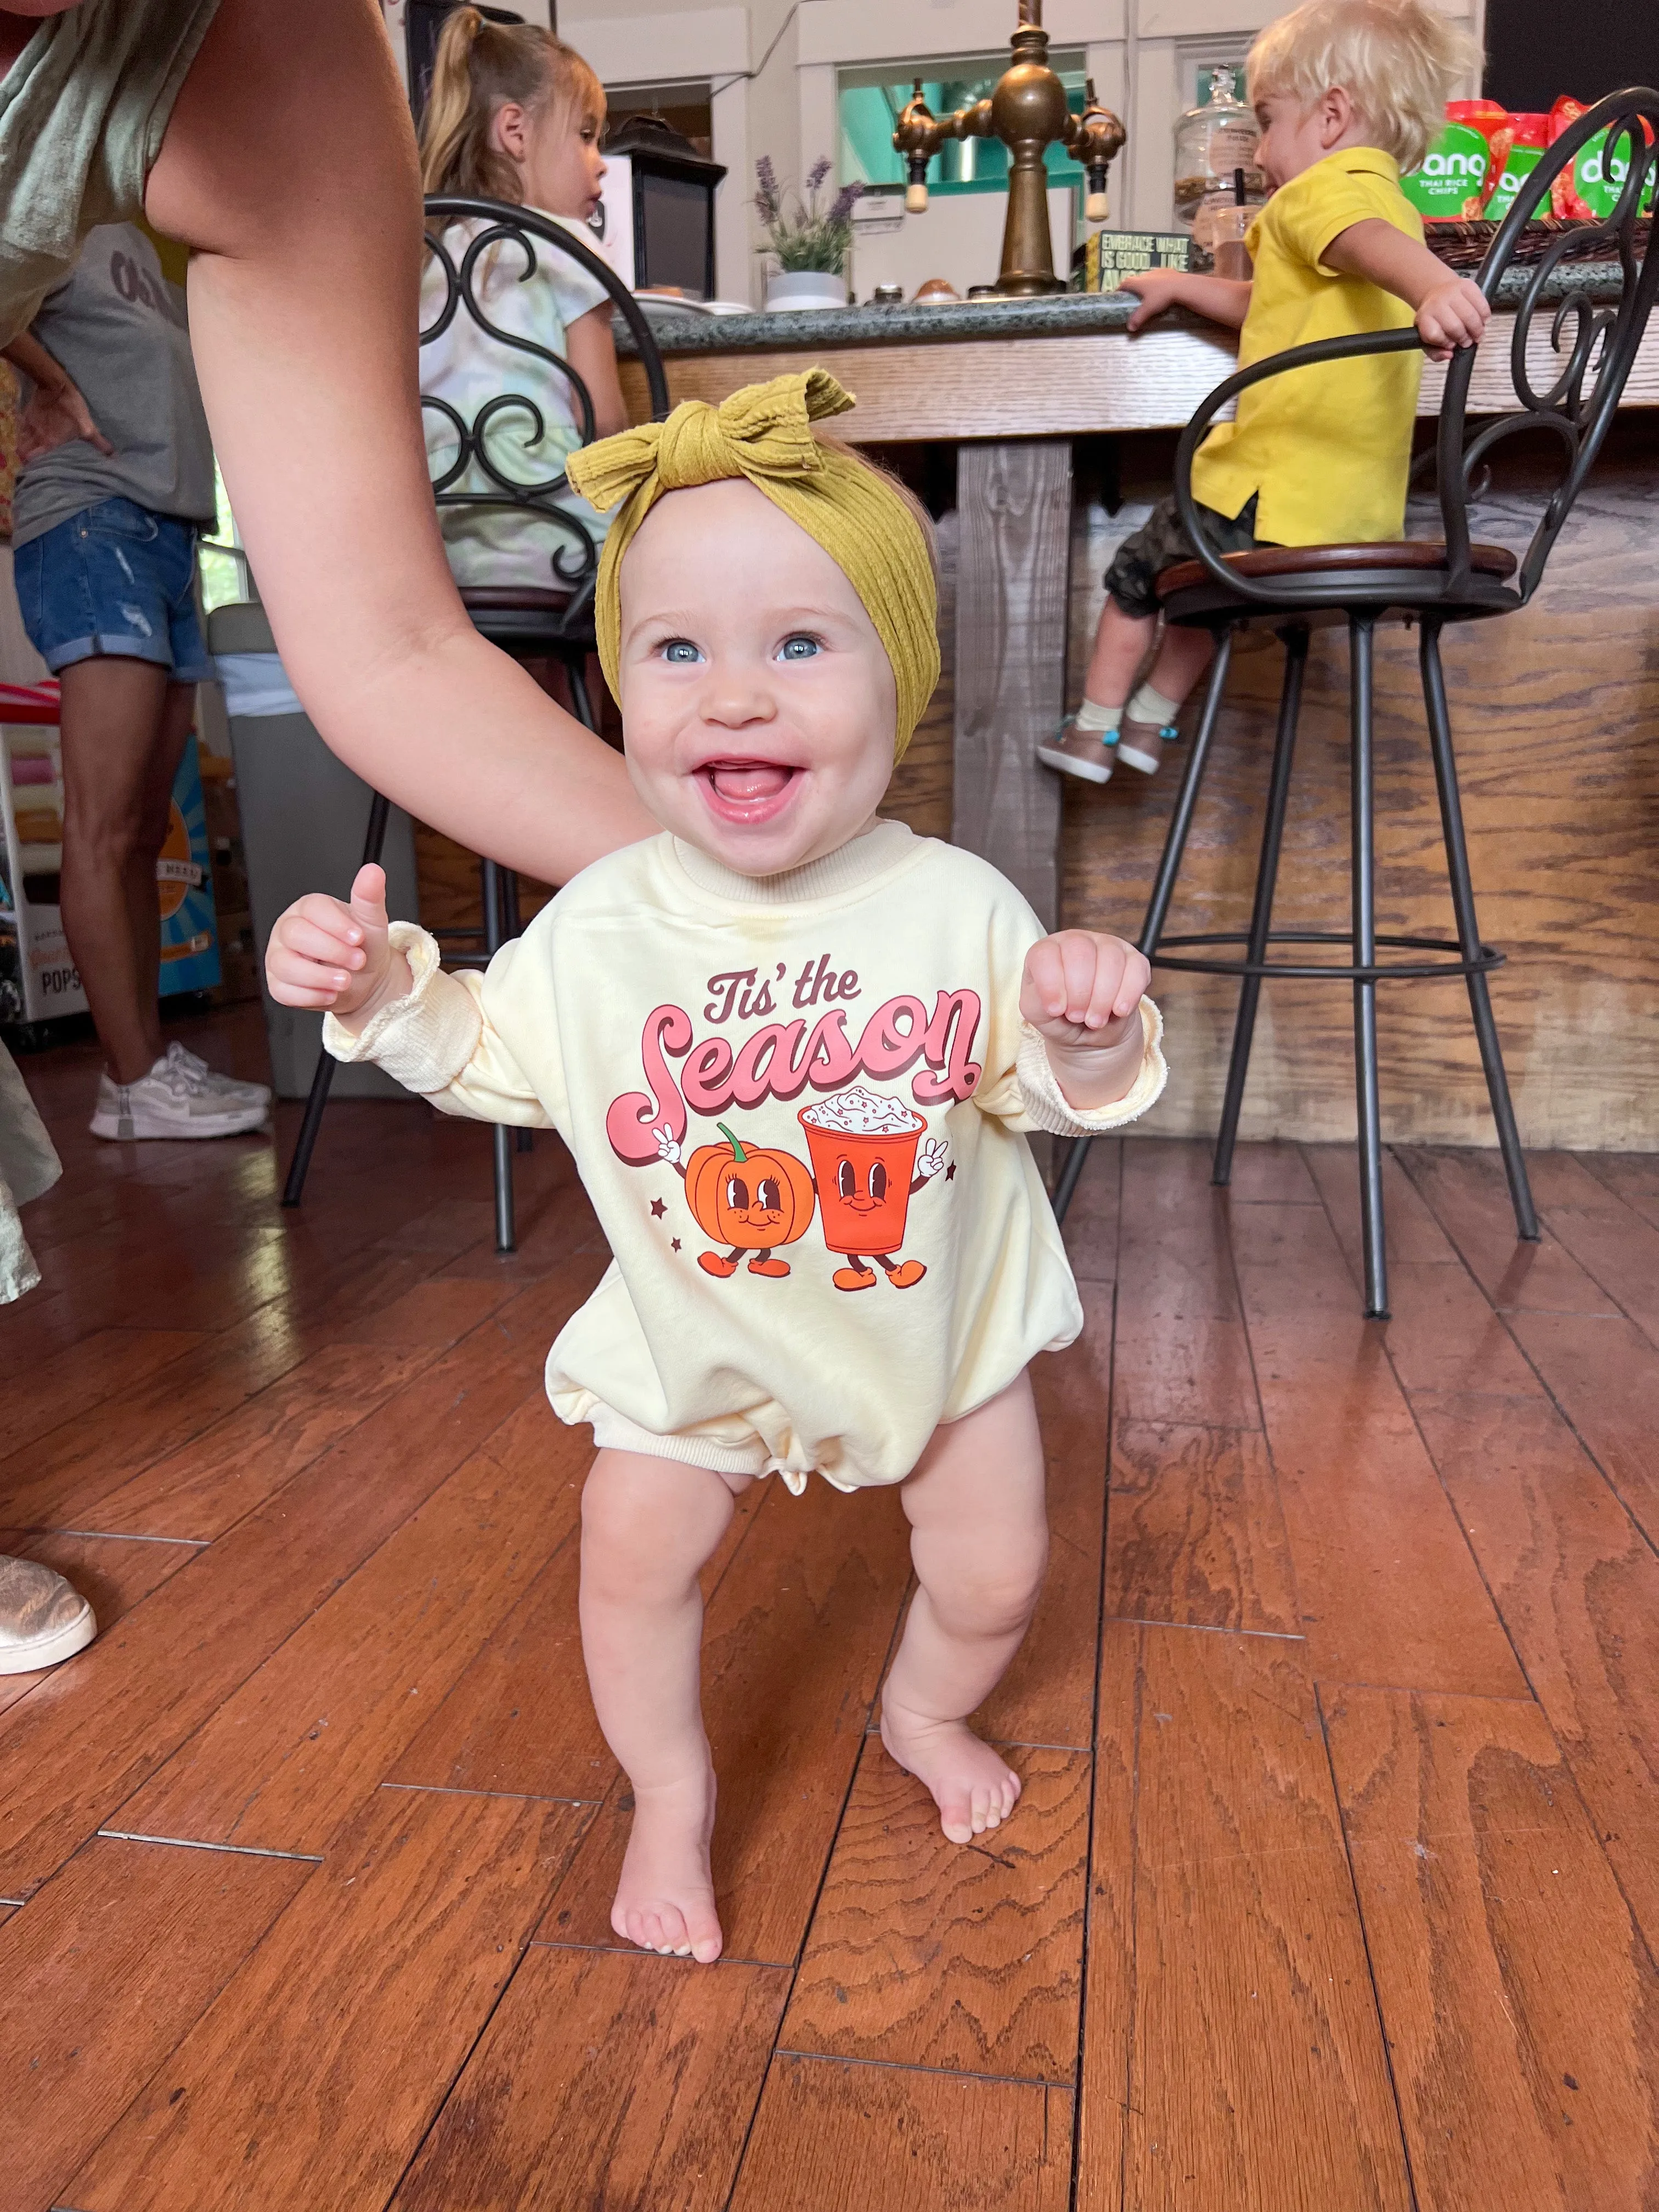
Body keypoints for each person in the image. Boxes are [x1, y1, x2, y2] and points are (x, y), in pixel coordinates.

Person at [264, 371, 1169, 1964]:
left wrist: (1086, 1029)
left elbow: (1054, 1089)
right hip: (701, 1344)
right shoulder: (610, 921)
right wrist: (387, 990)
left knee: (996, 1568)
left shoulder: (958, 907)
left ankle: (919, 1706)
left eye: (798, 647)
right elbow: (488, 1049)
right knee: (633, 1551)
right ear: (620, 692)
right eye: (676, 653)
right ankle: (669, 1794)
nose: (732, 699)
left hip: (933, 1335)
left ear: (904, 686)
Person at [1038, 0, 1489, 787]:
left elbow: (1368, 246)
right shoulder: (1395, 207)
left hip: (1265, 492)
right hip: (1346, 518)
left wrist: (1438, 289)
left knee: (1142, 575)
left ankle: (1094, 729)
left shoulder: (1320, 196)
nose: (1264, 150)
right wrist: (1183, 284)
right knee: (1203, 587)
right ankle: (1151, 722)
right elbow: (1264, 306)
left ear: (1331, 117)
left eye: (1269, 122)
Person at [6, 221, 272, 1138]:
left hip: (167, 531)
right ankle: (132, 1074)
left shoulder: (136, 234)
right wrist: (45, 378)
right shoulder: (34, 200)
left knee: (141, 828)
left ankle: (142, 1071)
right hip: (91, 520)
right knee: (106, 820)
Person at [417, 10, 626, 603]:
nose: (600, 160)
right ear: (516, 132)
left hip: (445, 548)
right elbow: (603, 424)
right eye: (586, 135)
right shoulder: (567, 246)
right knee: (654, 559)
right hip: (559, 533)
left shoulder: (427, 262)